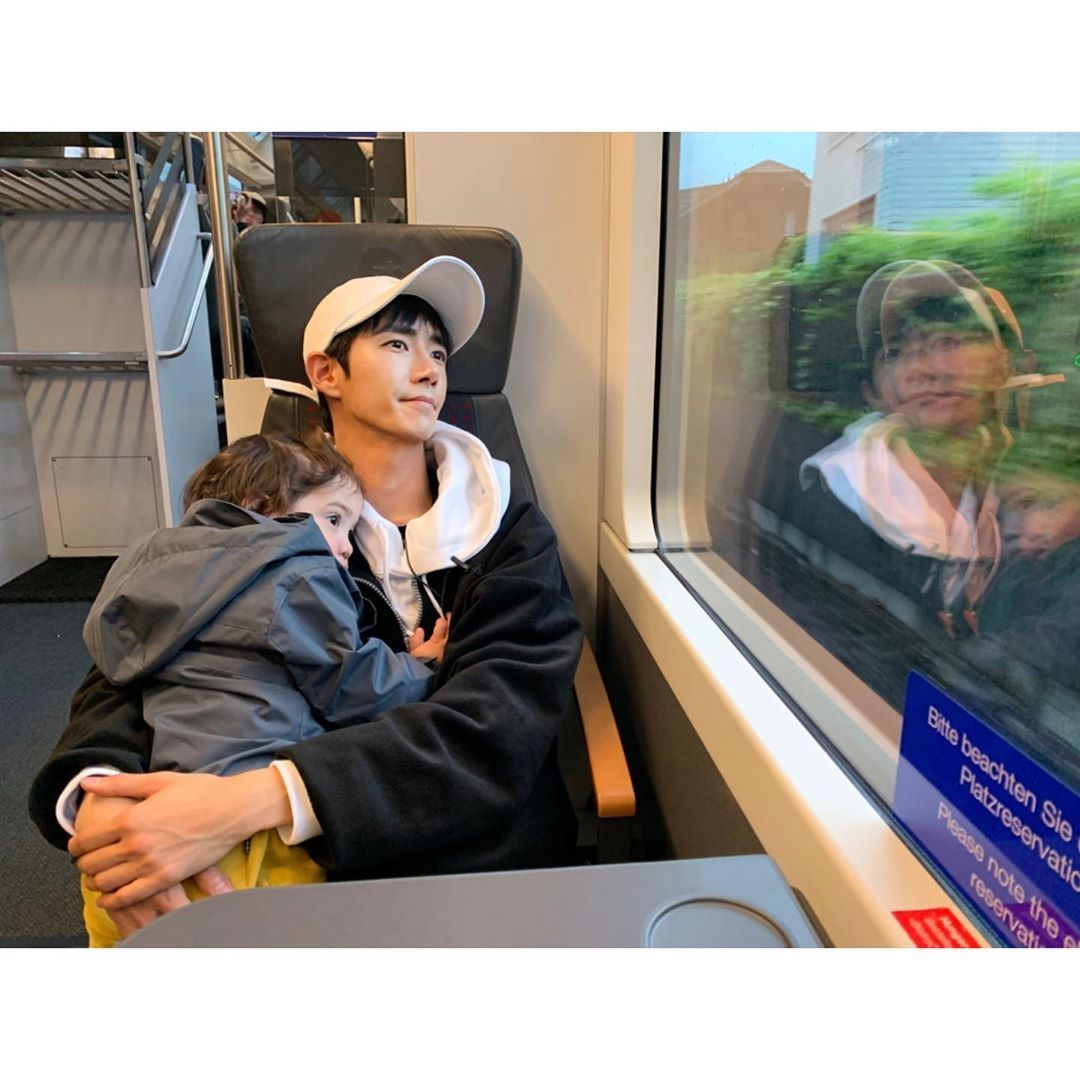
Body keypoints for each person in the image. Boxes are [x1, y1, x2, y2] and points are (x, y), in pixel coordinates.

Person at [29, 255, 582, 940]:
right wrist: (100, 792)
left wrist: (257, 799)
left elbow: (497, 723)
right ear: (327, 374)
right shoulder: (260, 517)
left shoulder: (505, 532)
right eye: (397, 344)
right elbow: (134, 658)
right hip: (300, 867)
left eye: (438, 353)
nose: (429, 370)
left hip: (473, 852)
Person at [79, 432, 448, 946]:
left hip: (154, 809)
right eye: (335, 519)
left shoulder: (148, 565)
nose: (346, 545)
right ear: (259, 508)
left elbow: (113, 666)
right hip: (251, 823)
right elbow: (351, 687)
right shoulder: (297, 573)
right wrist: (422, 667)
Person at [797, 259, 1028, 640]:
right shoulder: (836, 496)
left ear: (1002, 366)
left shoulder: (1022, 484)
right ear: (873, 392)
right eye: (896, 351)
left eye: (950, 342)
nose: (927, 368)